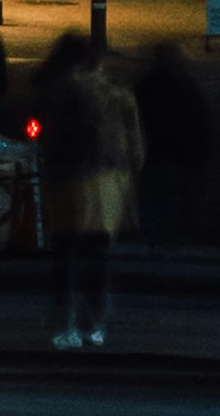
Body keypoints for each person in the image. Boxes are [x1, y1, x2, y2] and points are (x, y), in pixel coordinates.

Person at [38, 41, 144, 351]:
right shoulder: (117, 91)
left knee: (66, 256)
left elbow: (50, 139)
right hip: (106, 183)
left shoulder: (61, 89)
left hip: (68, 182)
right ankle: (95, 324)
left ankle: (65, 325)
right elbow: (135, 149)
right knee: (98, 257)